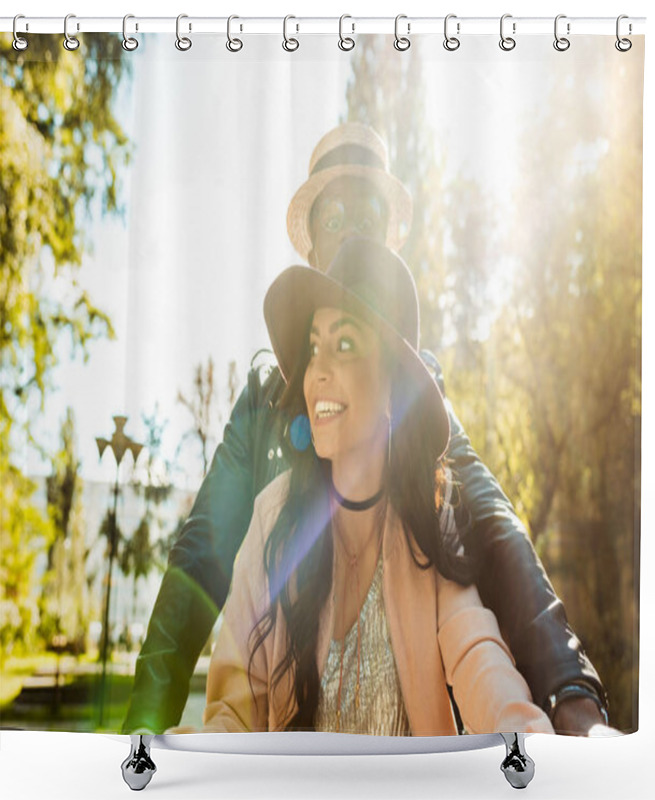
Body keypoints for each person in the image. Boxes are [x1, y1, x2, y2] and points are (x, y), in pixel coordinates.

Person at [122, 122, 609, 736]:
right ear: (311, 256)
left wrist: (569, 696)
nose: (354, 231)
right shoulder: (267, 462)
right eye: (335, 218)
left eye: (371, 217)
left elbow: (487, 524)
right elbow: (202, 562)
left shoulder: (418, 438)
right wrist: (138, 734)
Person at [203, 239, 554, 735]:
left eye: (344, 344)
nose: (317, 369)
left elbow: (480, 658)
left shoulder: (427, 528)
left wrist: (535, 743)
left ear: (393, 388)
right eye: (313, 346)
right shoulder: (272, 520)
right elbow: (232, 706)